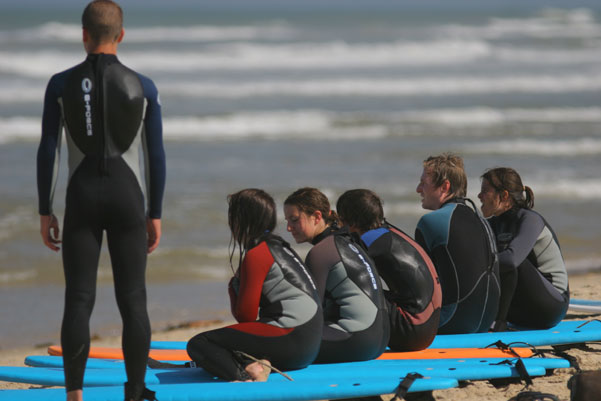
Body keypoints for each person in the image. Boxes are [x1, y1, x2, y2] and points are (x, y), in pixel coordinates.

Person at [36, 1, 166, 400]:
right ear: (121, 35)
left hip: (81, 196)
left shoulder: (60, 85)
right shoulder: (143, 86)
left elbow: (48, 151)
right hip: (129, 199)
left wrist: (45, 209)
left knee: (78, 297)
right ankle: (136, 391)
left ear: (83, 34)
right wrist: (155, 213)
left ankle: (74, 395)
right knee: (133, 299)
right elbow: (155, 154)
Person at [186, 189, 323, 381]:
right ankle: (259, 363)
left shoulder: (258, 254)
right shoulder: (281, 247)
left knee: (200, 343)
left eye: (233, 218)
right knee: (233, 340)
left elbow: (245, 316)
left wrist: (233, 287)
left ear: (242, 220)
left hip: (291, 339)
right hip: (309, 348)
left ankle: (245, 375)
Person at [283, 187, 389, 363]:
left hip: (356, 341)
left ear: (317, 217)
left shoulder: (321, 252)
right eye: (287, 221)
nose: (288, 228)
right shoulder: (347, 241)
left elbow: (310, 313)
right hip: (379, 340)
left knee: (279, 340)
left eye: (294, 220)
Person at [336, 189, 441, 351]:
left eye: (340, 219)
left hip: (412, 331)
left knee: (346, 289)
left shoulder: (370, 241)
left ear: (353, 223)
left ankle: (343, 340)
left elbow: (341, 268)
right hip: (427, 327)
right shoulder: (387, 233)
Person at [415, 153, 500, 334]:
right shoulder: (482, 220)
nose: (418, 189)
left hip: (453, 324)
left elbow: (421, 287)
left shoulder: (430, 222)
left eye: (424, 183)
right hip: (486, 323)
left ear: (445, 186)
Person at [479, 167, 569, 330]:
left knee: (511, 260)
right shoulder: (493, 224)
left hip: (551, 305)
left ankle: (498, 322)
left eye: (485, 191)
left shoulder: (530, 220)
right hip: (522, 310)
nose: (479, 196)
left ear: (504, 195)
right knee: (489, 258)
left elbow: (512, 261)